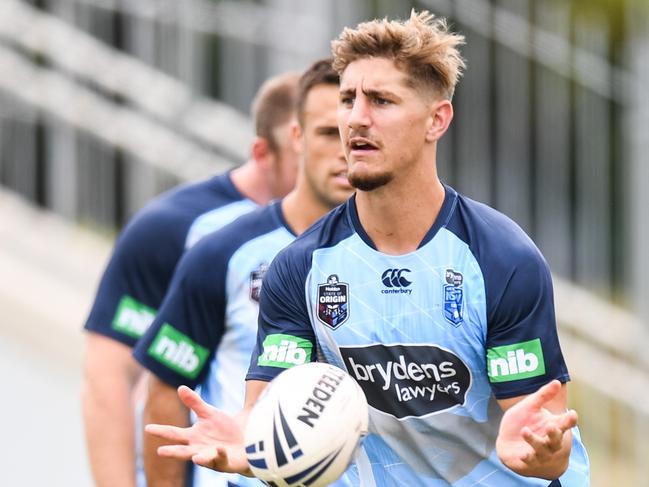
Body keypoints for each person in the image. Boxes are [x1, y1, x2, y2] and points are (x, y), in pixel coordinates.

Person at [146, 10, 591, 486]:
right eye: (347, 99)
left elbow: (545, 444)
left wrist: (540, 453)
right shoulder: (300, 267)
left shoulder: (501, 260)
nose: (357, 119)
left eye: (380, 100)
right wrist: (254, 444)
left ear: (436, 120)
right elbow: (267, 409)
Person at [133, 58, 353, 487]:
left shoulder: (399, 257)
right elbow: (165, 391)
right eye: (329, 133)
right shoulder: (224, 251)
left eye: (357, 134)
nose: (346, 150)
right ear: (297, 137)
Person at [82, 72, 300, 487]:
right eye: (306, 146)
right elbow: (107, 379)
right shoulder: (174, 228)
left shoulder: (354, 234)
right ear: (262, 152)